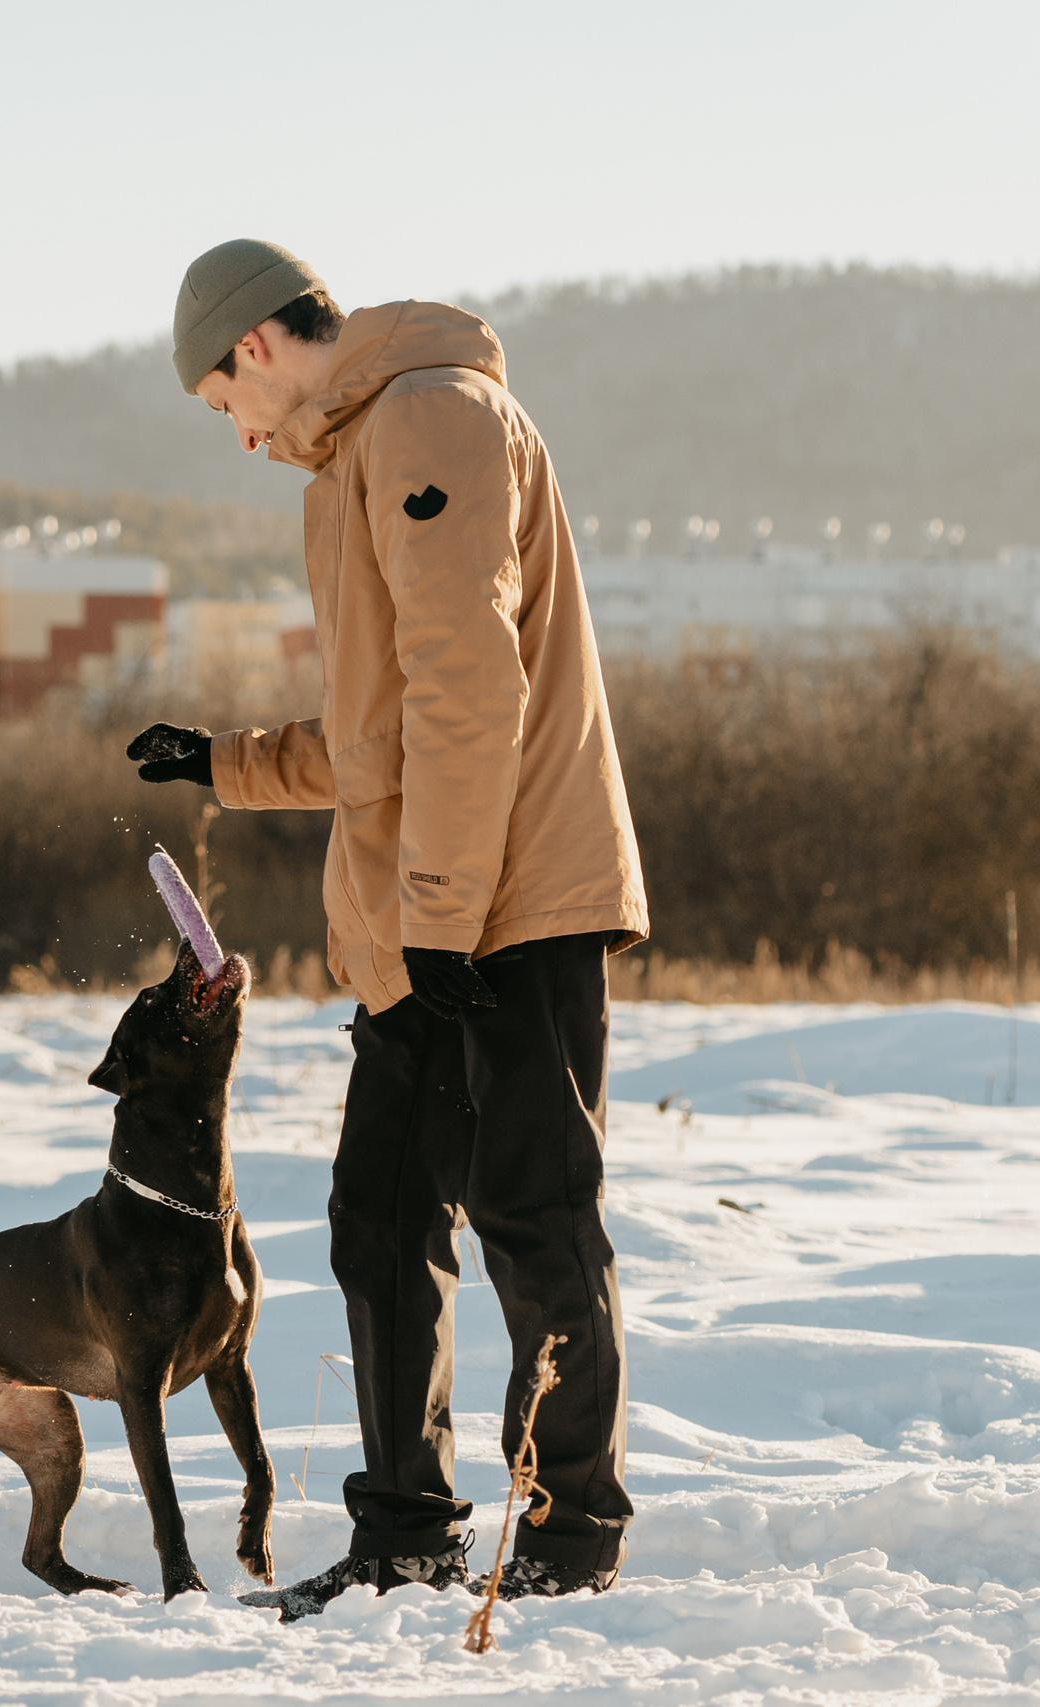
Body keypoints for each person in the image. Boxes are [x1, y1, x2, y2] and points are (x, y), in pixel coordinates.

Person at [128, 239, 649, 1620]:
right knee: (379, 1222)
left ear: (254, 348)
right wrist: (225, 763)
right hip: (433, 923)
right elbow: (387, 734)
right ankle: (407, 1536)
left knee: (532, 1218)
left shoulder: (429, 415)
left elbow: (470, 691)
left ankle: (570, 1531)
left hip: (506, 914)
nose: (234, 436)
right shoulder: (358, 457)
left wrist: (439, 928)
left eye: (217, 402)